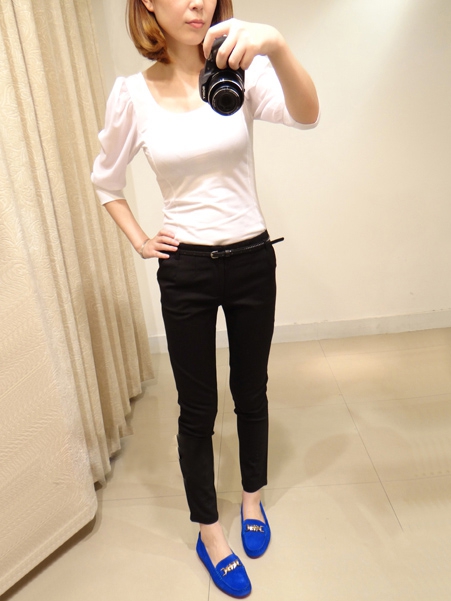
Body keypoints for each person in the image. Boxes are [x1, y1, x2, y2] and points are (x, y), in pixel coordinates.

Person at [92, 0, 319, 596]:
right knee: (197, 409)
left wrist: (276, 44)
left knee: (251, 390)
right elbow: (105, 181)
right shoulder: (131, 95)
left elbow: (308, 114)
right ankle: (209, 531)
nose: (197, 2)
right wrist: (142, 240)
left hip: (251, 260)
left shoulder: (240, 70)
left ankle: (252, 500)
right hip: (186, 270)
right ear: (147, 4)